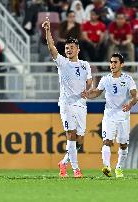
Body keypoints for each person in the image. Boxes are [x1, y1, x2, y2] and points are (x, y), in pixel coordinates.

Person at [42, 17, 93, 178]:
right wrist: (48, 31)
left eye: (71, 47)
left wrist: (88, 90)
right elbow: (51, 48)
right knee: (70, 135)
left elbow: (89, 81)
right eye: (66, 48)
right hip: (67, 104)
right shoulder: (63, 63)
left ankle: (64, 162)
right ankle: (76, 169)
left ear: (78, 49)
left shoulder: (85, 64)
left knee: (80, 140)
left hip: (81, 104)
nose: (68, 50)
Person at [83, 53, 138, 178]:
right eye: (111, 62)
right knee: (107, 141)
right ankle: (107, 166)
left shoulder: (128, 79)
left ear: (121, 64)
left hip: (123, 116)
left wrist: (130, 104)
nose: (112, 65)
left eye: (115, 62)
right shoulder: (105, 79)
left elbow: (135, 96)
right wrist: (87, 95)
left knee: (123, 144)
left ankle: (119, 168)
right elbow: (96, 92)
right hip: (109, 115)